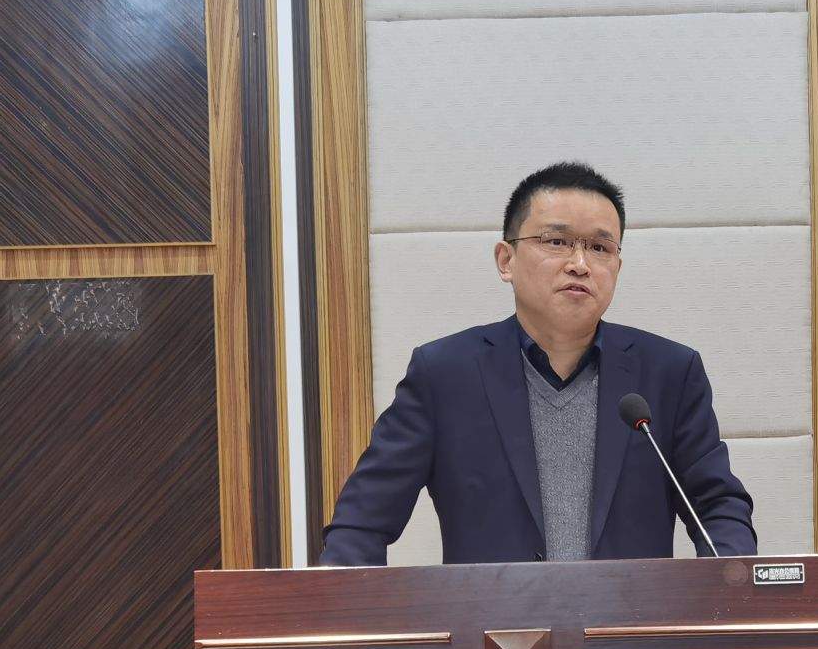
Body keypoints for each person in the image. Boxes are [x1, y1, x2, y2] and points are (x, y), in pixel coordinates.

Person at [320, 161, 756, 566]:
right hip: (491, 622)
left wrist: (729, 592)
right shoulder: (444, 374)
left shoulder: (669, 373)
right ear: (506, 260)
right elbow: (362, 523)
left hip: (632, 623)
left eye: (600, 247)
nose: (580, 264)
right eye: (556, 241)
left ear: (617, 266)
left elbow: (717, 507)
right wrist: (354, 611)